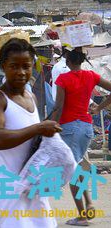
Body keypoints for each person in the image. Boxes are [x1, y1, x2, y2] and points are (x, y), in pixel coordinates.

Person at [0, 38, 62, 228]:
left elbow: (32, 141)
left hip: (29, 182)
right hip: (2, 182)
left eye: (26, 66)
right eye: (14, 66)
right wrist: (39, 128)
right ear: (2, 66)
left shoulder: (30, 96)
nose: (21, 72)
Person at [51, 48, 111, 226]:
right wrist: (98, 108)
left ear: (67, 62)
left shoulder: (63, 79)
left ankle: (82, 216)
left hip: (69, 128)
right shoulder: (91, 75)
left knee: (72, 172)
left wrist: (52, 126)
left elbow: (59, 107)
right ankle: (89, 204)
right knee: (77, 167)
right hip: (86, 128)